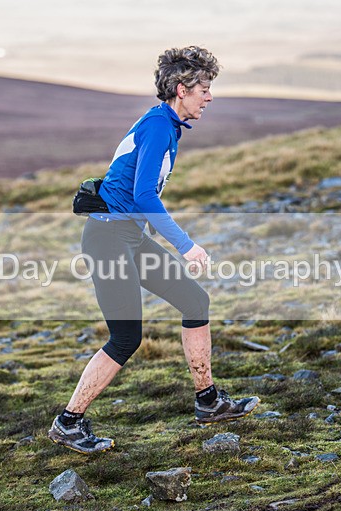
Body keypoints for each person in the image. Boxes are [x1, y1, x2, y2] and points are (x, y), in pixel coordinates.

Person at [48, 46, 260, 454]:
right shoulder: (159, 127)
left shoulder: (168, 125)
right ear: (182, 89)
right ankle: (68, 423)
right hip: (108, 238)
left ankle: (208, 401)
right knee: (126, 337)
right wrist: (186, 246)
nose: (209, 97)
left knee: (195, 301)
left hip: (128, 236)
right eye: (204, 89)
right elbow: (145, 194)